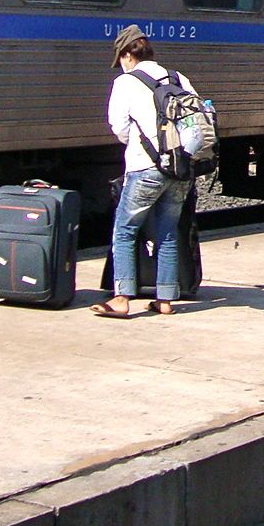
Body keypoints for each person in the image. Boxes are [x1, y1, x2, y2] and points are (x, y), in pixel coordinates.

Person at [93, 25, 195, 318]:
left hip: (145, 168)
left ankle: (122, 298)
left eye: (121, 59)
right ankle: (165, 300)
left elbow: (120, 128)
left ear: (127, 55)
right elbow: (197, 118)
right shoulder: (177, 77)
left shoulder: (126, 83)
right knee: (167, 232)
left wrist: (140, 143)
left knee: (124, 230)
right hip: (180, 168)